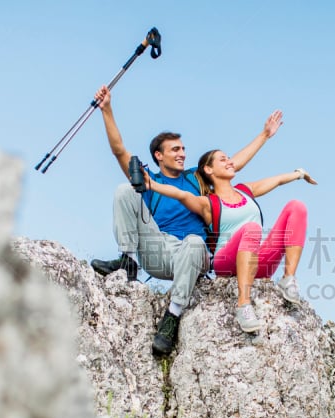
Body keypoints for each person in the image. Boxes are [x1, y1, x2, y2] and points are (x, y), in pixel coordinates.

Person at [90, 85, 284, 354]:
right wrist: (107, 109)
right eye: (175, 150)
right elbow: (119, 150)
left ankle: (172, 317)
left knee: (195, 241)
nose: (182, 153)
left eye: (183, 149)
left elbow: (233, 164)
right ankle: (128, 262)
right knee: (124, 190)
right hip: (158, 251)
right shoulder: (151, 182)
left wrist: (264, 135)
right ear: (159, 155)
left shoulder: (195, 178)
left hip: (193, 255)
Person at [143, 149, 317, 333]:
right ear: (209, 169)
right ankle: (244, 305)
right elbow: (181, 195)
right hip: (225, 262)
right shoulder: (208, 203)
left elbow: (278, 181)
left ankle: (288, 279)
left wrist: (300, 174)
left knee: (296, 207)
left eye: (229, 159)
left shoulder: (245, 191)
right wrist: (151, 184)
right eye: (223, 160)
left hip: (255, 261)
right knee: (252, 228)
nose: (230, 162)